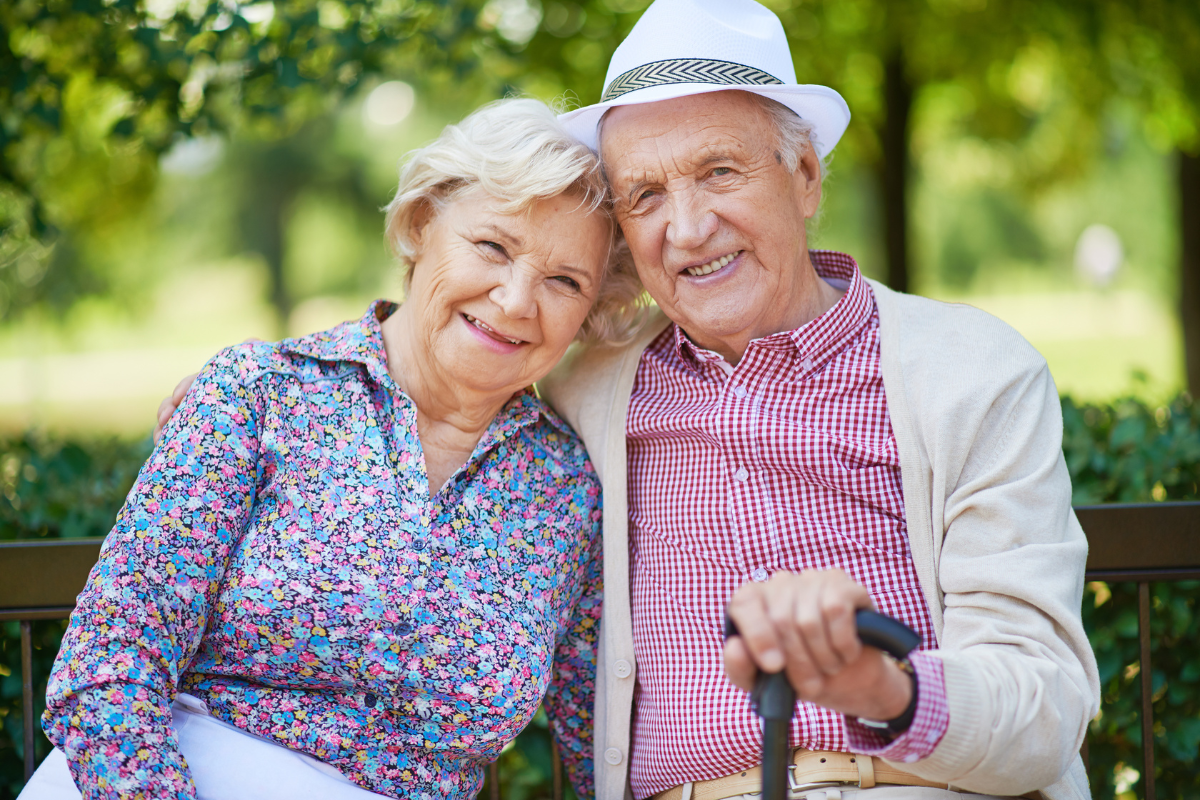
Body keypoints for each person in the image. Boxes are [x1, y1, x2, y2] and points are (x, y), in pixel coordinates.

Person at [155, 1, 1101, 799]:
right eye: (643, 196)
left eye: (721, 172)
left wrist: (878, 686)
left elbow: (1047, 702)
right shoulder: (585, 378)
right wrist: (257, 393)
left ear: (805, 175)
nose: (687, 228)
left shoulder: (971, 372)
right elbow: (452, 339)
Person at [24, 98, 646, 800]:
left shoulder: (564, 486)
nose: (514, 299)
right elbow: (108, 670)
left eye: (565, 281)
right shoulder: (260, 394)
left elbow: (600, 735)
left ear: (591, 309)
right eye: (493, 247)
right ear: (421, 224)